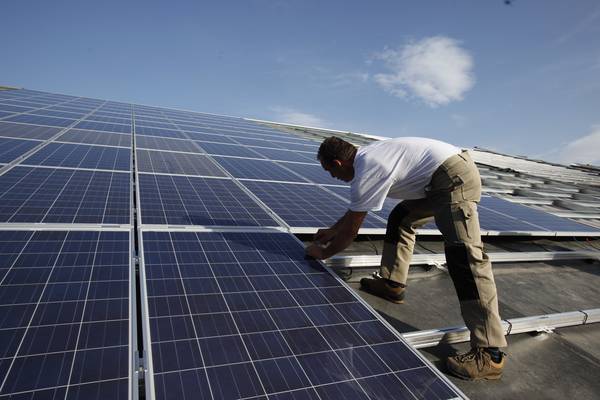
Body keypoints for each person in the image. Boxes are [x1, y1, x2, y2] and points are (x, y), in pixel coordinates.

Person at [305, 136, 507, 380]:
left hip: (453, 179)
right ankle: (392, 283)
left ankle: (490, 353)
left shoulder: (370, 168)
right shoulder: (366, 158)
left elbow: (352, 230)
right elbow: (355, 211)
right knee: (402, 216)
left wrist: (322, 253)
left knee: (464, 256)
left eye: (330, 171)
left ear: (338, 163)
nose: (332, 177)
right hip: (439, 178)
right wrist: (333, 229)